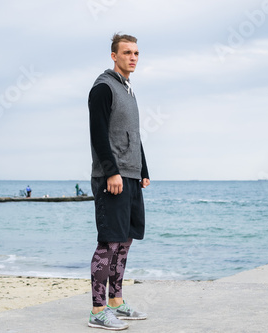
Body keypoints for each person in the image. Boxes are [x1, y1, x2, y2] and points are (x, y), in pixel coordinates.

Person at [87, 33, 150, 331]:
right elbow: (98, 133)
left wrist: (144, 170)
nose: (133, 57)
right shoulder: (103, 88)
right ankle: (98, 310)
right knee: (108, 244)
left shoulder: (129, 91)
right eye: (127, 52)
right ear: (114, 56)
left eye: (136, 52)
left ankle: (116, 302)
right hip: (111, 177)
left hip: (132, 176)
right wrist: (111, 171)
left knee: (124, 243)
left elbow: (133, 135)